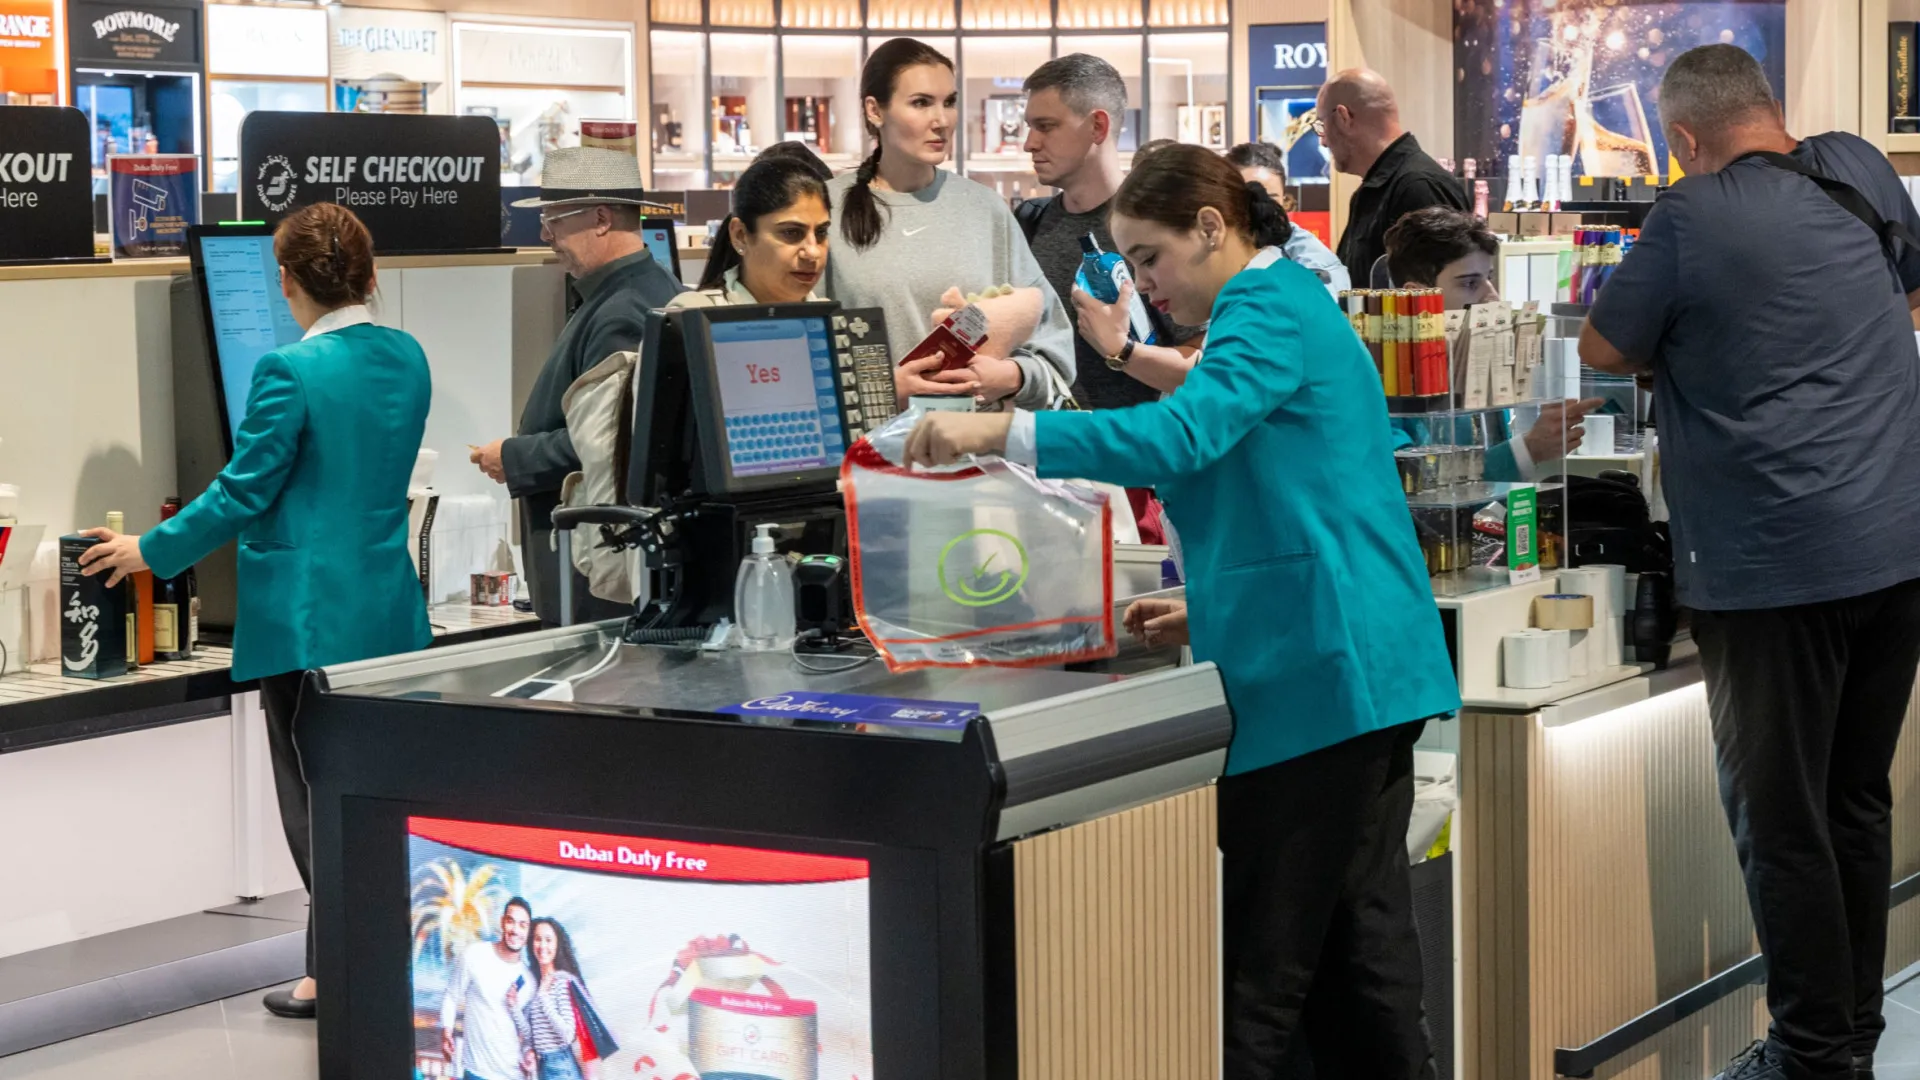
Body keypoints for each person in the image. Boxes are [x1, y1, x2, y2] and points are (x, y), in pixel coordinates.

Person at [904, 144, 1459, 1079]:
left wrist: (1007, 429)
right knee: (1355, 969)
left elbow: (1186, 434)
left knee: (1265, 975)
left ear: (1212, 227)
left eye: (1151, 258)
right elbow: (1287, 488)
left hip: (1324, 675)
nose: (1147, 286)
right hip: (1342, 662)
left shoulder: (1269, 304)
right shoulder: (1272, 306)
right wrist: (1207, 608)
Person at [1580, 44, 1920, 1080]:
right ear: (1773, 111)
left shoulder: (1687, 217)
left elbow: (1600, 350)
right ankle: (1850, 1039)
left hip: (1775, 562)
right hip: (1897, 545)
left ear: (1682, 140)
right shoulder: (1856, 166)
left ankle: (1813, 1054)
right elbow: (1901, 292)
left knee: (1781, 822)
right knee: (1854, 801)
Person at [77, 202, 431, 1021]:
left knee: (311, 804)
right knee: (368, 796)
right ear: (369, 274)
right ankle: (359, 962)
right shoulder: (406, 356)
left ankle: (333, 971)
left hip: (306, 622)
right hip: (387, 613)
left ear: (285, 282)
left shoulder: (288, 372)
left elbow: (245, 488)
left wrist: (148, 551)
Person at [470, 147, 685, 625]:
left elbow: (610, 445)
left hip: (592, 571)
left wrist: (513, 456)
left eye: (554, 221)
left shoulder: (621, 313)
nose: (546, 236)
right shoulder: (645, 291)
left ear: (602, 218)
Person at [823, 37, 1074, 411]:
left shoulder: (984, 207)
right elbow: (792, 347)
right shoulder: (824, 208)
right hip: (871, 454)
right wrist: (882, 387)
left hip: (978, 452)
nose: (941, 120)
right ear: (875, 111)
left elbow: (1051, 337)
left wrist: (1010, 376)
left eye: (950, 102)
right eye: (921, 103)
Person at [1016, 53, 1203, 405]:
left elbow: (1202, 365)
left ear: (1097, 127)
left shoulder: (1160, 228)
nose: (1030, 143)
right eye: (1029, 126)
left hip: (1131, 449)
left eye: (1046, 126)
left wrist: (1122, 351)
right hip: (1038, 449)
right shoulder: (1027, 223)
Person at [1384, 206, 1602, 480]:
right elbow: (1410, 477)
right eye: (1469, 284)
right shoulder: (1384, 377)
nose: (1492, 298)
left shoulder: (1476, 360)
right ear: (1417, 296)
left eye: (1489, 278)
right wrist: (1527, 450)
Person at [1316, 68, 1468, 287]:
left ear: (1343, 117)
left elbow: (1447, 294)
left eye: (1321, 126)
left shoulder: (1418, 186)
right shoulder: (1379, 188)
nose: (1323, 141)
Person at [674, 156, 830, 307]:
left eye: (821, 233)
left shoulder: (837, 322)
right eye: (791, 232)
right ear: (740, 236)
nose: (813, 252)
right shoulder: (694, 316)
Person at [1221, 141, 1349, 296]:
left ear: (1284, 200)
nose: (1259, 207)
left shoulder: (1312, 260)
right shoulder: (1210, 250)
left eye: (1270, 199)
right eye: (1248, 199)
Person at [442, 898, 535, 1080]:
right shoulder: (474, 954)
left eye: (522, 925)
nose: (515, 930)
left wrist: (528, 1053)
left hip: (514, 1075)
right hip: (476, 1072)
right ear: (502, 922)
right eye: (511, 921)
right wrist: (447, 1031)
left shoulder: (530, 981)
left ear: (528, 931)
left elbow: (527, 1034)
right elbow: (452, 996)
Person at [514, 918, 614, 1080]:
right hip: (544, 1067)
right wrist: (513, 1007)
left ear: (557, 945)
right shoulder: (536, 985)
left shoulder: (560, 982)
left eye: (548, 940)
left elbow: (568, 1034)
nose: (543, 946)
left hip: (562, 1067)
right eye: (538, 939)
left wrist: (544, 998)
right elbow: (531, 1035)